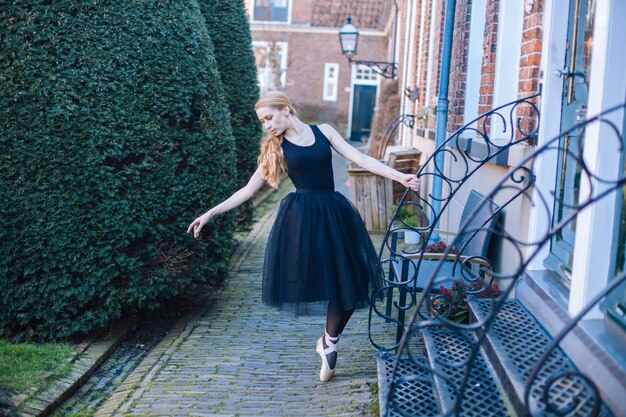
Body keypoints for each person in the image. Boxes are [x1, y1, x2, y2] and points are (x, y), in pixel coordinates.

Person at [187, 91, 419, 382]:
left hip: (334, 213)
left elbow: (359, 157)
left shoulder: (324, 132)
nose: (267, 125)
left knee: (355, 278)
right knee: (336, 280)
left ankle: (328, 341)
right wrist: (210, 213)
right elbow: (248, 190)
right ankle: (331, 344)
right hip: (303, 221)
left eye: (269, 117)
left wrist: (399, 177)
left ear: (286, 109)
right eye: (263, 121)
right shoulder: (278, 148)